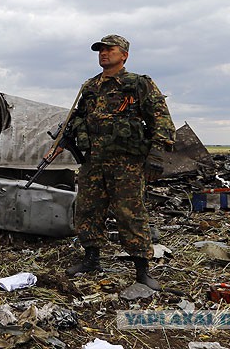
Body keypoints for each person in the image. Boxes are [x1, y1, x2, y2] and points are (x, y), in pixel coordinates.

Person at [65, 34, 175, 290]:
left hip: (127, 163)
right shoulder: (90, 86)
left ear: (124, 54)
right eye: (100, 50)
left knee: (130, 213)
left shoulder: (138, 83)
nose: (103, 53)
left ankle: (142, 271)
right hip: (94, 161)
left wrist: (157, 153)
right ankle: (91, 259)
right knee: (88, 210)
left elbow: (161, 118)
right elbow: (79, 116)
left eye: (109, 49)